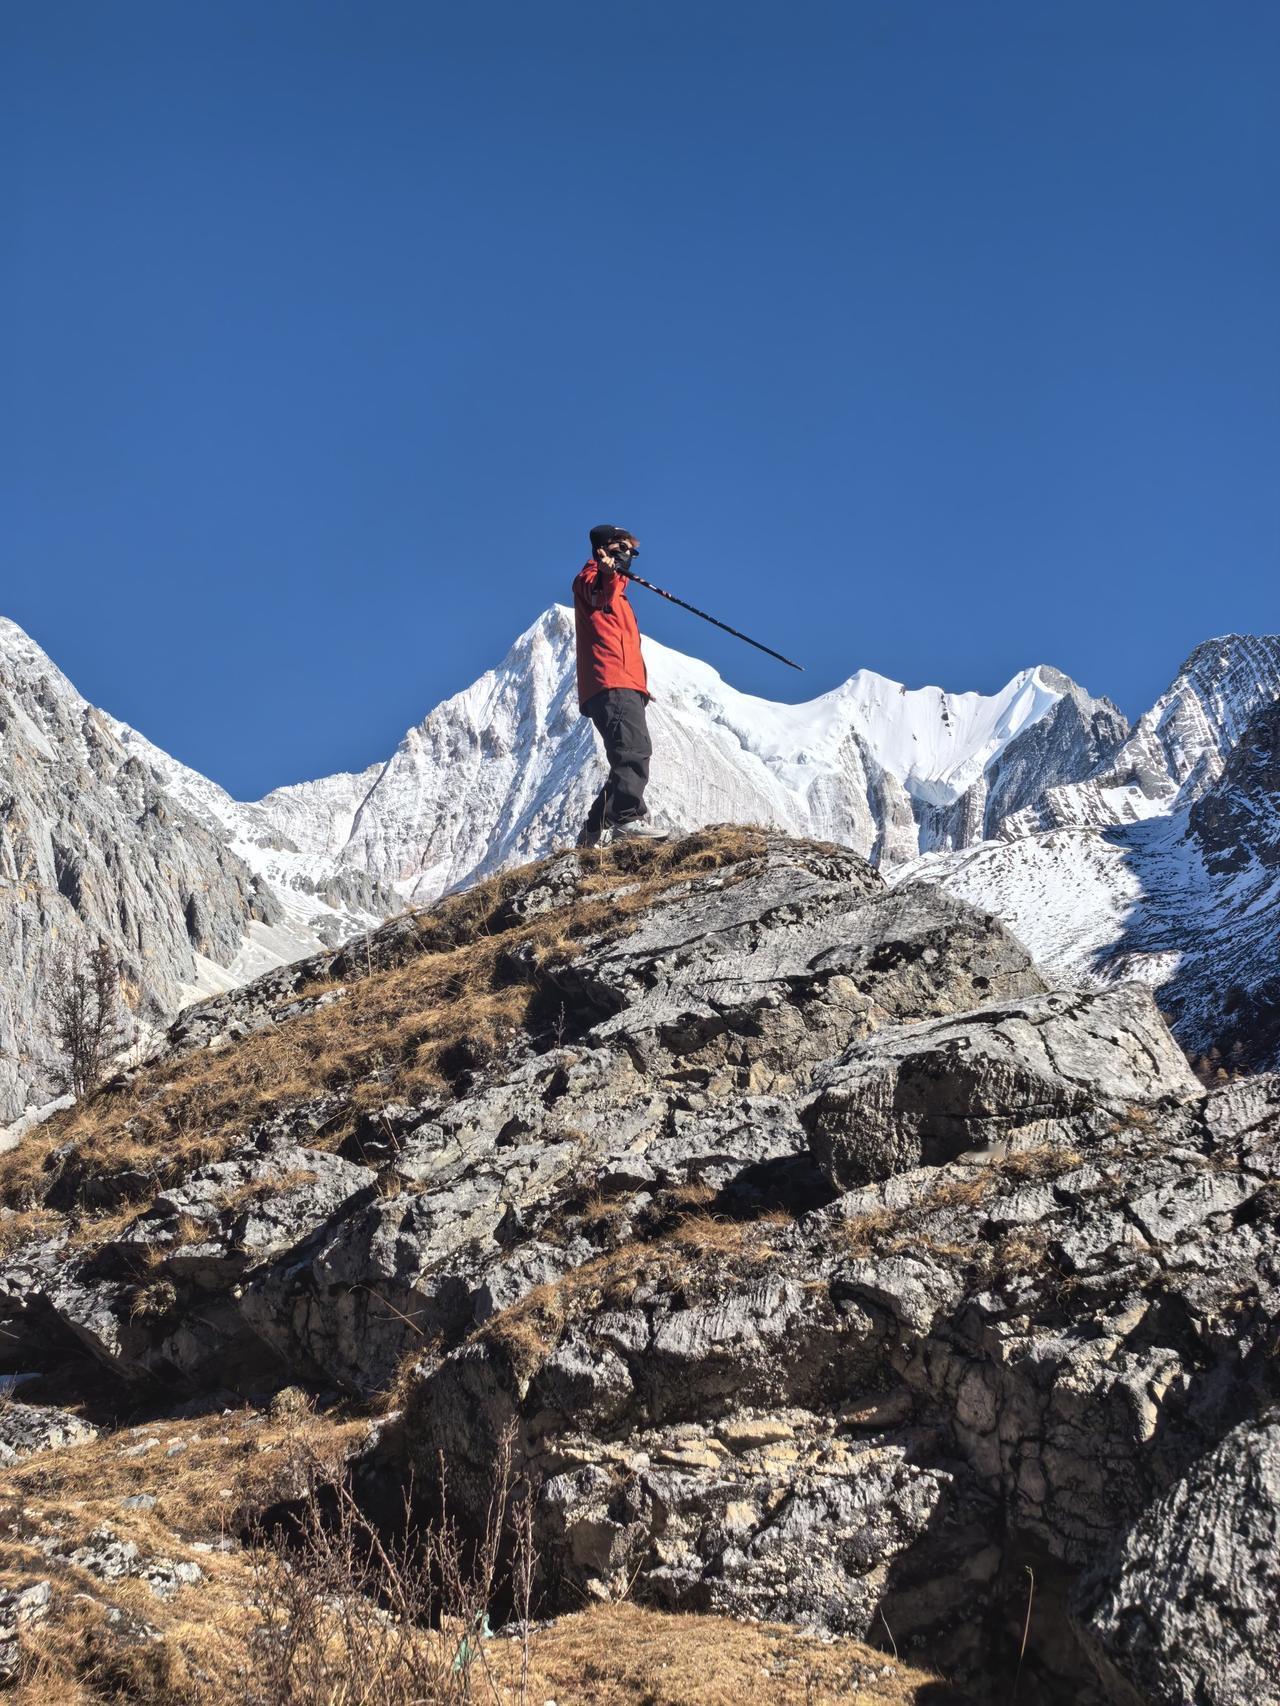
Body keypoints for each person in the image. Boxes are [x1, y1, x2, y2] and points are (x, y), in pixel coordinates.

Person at [573, 524, 668, 847]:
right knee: (634, 752)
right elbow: (600, 591)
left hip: (623, 683)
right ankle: (626, 818)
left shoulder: (619, 593)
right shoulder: (591, 580)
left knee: (624, 756)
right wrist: (607, 571)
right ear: (605, 548)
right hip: (610, 683)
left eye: (631, 550)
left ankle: (592, 831)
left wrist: (639, 685)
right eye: (622, 548)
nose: (629, 555)